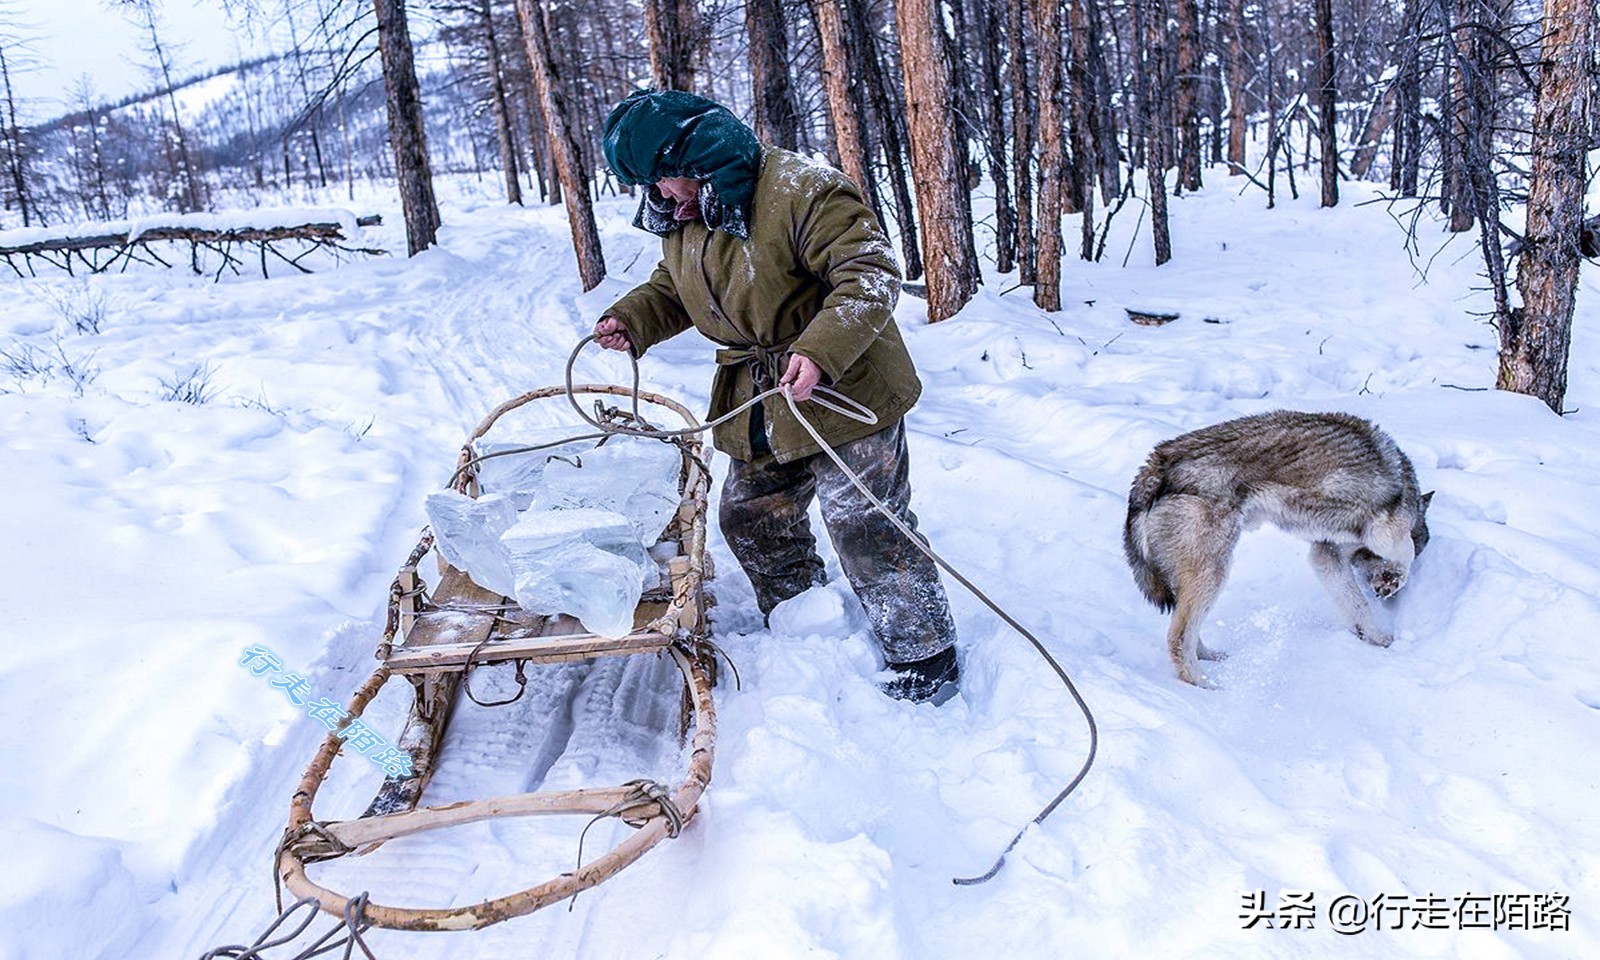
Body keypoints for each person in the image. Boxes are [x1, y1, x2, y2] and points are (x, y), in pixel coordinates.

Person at [594, 89, 958, 703]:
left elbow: (867, 275)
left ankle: (924, 652)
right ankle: (805, 615)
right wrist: (635, 318)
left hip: (846, 384)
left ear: (703, 157)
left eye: (666, 180)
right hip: (761, 393)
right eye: (649, 186)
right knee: (748, 514)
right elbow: (679, 285)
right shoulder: (689, 213)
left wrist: (819, 351)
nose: (661, 197)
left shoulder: (804, 190)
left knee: (864, 518)